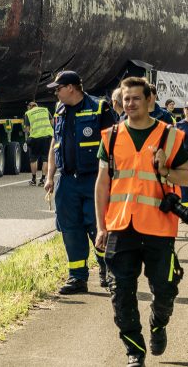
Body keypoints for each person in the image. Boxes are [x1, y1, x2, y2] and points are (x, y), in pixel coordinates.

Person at [95, 76, 188, 367]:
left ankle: (158, 323)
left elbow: (187, 176)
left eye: (136, 98)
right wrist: (101, 226)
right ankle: (135, 351)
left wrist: (165, 169)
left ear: (149, 99)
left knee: (164, 288)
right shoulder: (110, 136)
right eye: (126, 99)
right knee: (121, 291)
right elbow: (102, 184)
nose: (130, 104)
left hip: (158, 227)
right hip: (121, 227)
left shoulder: (170, 136)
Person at [44, 70, 114, 294]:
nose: (56, 93)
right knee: (70, 229)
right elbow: (55, 142)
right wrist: (49, 176)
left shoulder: (99, 107)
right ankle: (77, 277)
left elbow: (113, 144)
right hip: (67, 181)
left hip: (94, 178)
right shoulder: (60, 110)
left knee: (98, 225)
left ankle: (107, 270)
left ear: (71, 87)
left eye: (58, 88)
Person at [24, 101, 53, 186]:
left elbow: (27, 128)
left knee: (33, 159)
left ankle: (33, 179)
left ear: (30, 106)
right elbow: (52, 123)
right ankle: (43, 179)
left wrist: (28, 133)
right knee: (45, 159)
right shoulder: (45, 110)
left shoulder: (28, 113)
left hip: (35, 138)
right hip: (47, 137)